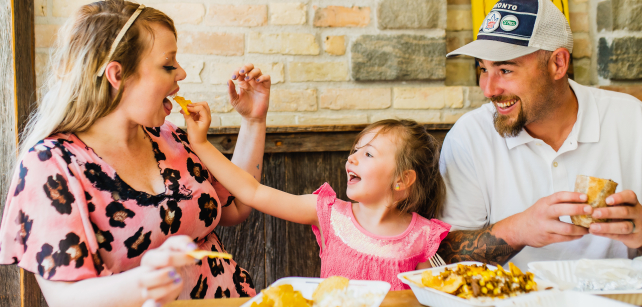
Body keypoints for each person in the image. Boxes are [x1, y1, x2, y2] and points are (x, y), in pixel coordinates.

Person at [0, 0, 272, 306]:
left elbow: (236, 207)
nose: (181, 73)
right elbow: (66, 300)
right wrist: (146, 280)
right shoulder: (51, 165)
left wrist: (253, 121)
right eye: (168, 64)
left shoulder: (168, 137)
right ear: (117, 75)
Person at [434, 0, 642, 269]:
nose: (488, 89)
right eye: (482, 69)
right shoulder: (470, 136)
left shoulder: (634, 120)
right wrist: (519, 229)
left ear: (558, 63)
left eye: (505, 70)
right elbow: (439, 256)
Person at [183, 113, 450, 290]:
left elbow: (434, 297)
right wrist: (201, 143)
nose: (352, 158)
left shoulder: (422, 237)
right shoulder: (328, 213)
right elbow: (252, 191)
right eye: (354, 150)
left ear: (402, 180)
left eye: (368, 154)